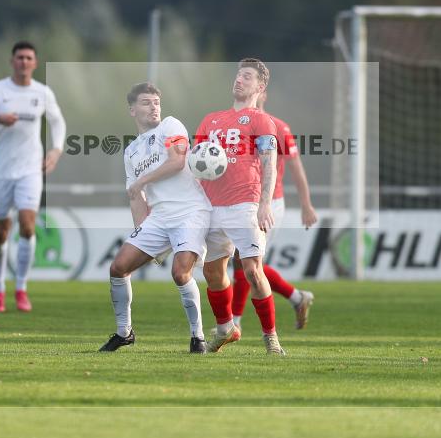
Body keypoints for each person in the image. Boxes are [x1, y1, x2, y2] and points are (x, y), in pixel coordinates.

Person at [99, 83, 211, 354]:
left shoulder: (171, 126)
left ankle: (198, 338)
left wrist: (142, 181)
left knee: (180, 272)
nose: (154, 107)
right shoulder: (131, 152)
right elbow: (136, 197)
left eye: (157, 102)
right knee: (118, 267)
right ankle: (124, 333)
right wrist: (142, 235)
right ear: (132, 110)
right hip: (159, 218)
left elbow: (177, 162)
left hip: (191, 211)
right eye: (147, 103)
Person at [195, 58, 286, 355]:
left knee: (251, 269)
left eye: (246, 76)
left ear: (260, 86)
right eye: (238, 75)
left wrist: (264, 204)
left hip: (245, 203)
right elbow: (195, 162)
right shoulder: (211, 119)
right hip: (211, 206)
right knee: (212, 272)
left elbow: (268, 161)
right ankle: (225, 329)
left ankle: (270, 338)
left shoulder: (261, 120)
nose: (239, 80)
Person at [0, 41, 66, 313]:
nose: (24, 62)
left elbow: (58, 122)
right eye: (19, 57)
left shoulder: (42, 92)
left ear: (35, 63)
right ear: (12, 61)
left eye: (28, 58)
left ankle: (21, 288)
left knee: (28, 225)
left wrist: (56, 151)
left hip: (30, 170)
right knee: (0, 232)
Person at [231, 90, 317, 330]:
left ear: (263, 95)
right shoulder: (235, 127)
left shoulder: (278, 127)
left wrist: (306, 205)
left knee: (244, 260)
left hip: (269, 204)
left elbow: (296, 168)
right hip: (241, 202)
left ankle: (233, 323)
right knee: (246, 263)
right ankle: (297, 298)